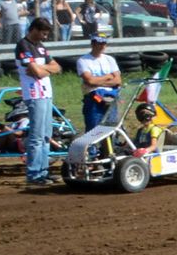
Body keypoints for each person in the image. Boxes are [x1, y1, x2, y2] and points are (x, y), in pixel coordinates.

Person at [14, 18, 62, 190]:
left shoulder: (41, 47)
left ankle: (43, 171)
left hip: (47, 94)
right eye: (43, 32)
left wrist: (45, 70)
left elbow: (57, 67)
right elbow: (36, 72)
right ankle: (34, 174)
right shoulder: (23, 45)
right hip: (35, 94)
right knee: (37, 135)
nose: (45, 36)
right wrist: (44, 70)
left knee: (46, 136)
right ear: (34, 29)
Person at [73, 35, 122, 133]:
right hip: (94, 98)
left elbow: (117, 81)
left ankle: (109, 147)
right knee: (93, 129)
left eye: (104, 43)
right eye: (99, 43)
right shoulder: (83, 60)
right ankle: (92, 148)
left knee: (111, 128)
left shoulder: (110, 59)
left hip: (111, 97)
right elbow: (90, 81)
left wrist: (97, 82)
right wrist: (108, 76)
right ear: (93, 44)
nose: (102, 46)